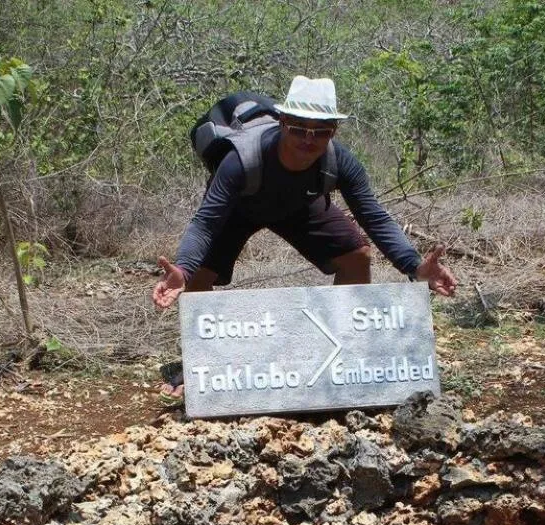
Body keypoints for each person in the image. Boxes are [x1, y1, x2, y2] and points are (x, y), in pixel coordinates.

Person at [152, 75, 458, 396]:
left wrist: (414, 266)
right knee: (199, 274)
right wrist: (183, 269)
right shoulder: (240, 160)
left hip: (298, 204)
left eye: (320, 131)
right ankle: (204, 367)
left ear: (333, 132)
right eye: (299, 128)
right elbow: (206, 222)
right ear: (283, 122)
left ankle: (346, 355)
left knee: (355, 256)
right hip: (237, 207)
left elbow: (374, 215)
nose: (308, 140)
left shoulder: (340, 162)